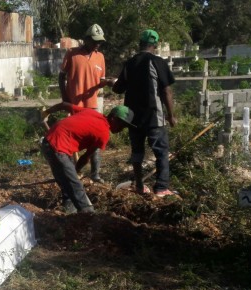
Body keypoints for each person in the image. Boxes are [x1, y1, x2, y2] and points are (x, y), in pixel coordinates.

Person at [112, 29, 177, 197]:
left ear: (140, 44)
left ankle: (140, 185)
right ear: (155, 45)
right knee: (161, 151)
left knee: (137, 152)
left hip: (132, 118)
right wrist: (171, 115)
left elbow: (118, 88)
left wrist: (113, 82)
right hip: (153, 116)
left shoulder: (130, 63)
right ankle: (161, 187)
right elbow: (166, 91)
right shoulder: (157, 62)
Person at [40, 102, 135, 213]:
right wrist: (75, 172)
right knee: (74, 183)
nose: (122, 129)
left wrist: (47, 112)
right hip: (57, 147)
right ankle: (88, 214)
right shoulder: (104, 133)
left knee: (66, 180)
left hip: (50, 141)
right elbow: (86, 157)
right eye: (122, 125)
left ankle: (69, 211)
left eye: (125, 127)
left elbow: (64, 105)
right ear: (113, 118)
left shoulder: (91, 112)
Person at [59, 24, 116, 183]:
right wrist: (65, 98)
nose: (98, 44)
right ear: (86, 39)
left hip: (91, 105)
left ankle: (95, 174)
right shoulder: (72, 54)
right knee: (71, 140)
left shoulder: (100, 57)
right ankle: (71, 172)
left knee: (95, 140)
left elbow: (101, 80)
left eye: (100, 42)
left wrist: (108, 82)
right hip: (74, 104)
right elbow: (61, 77)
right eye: (95, 41)